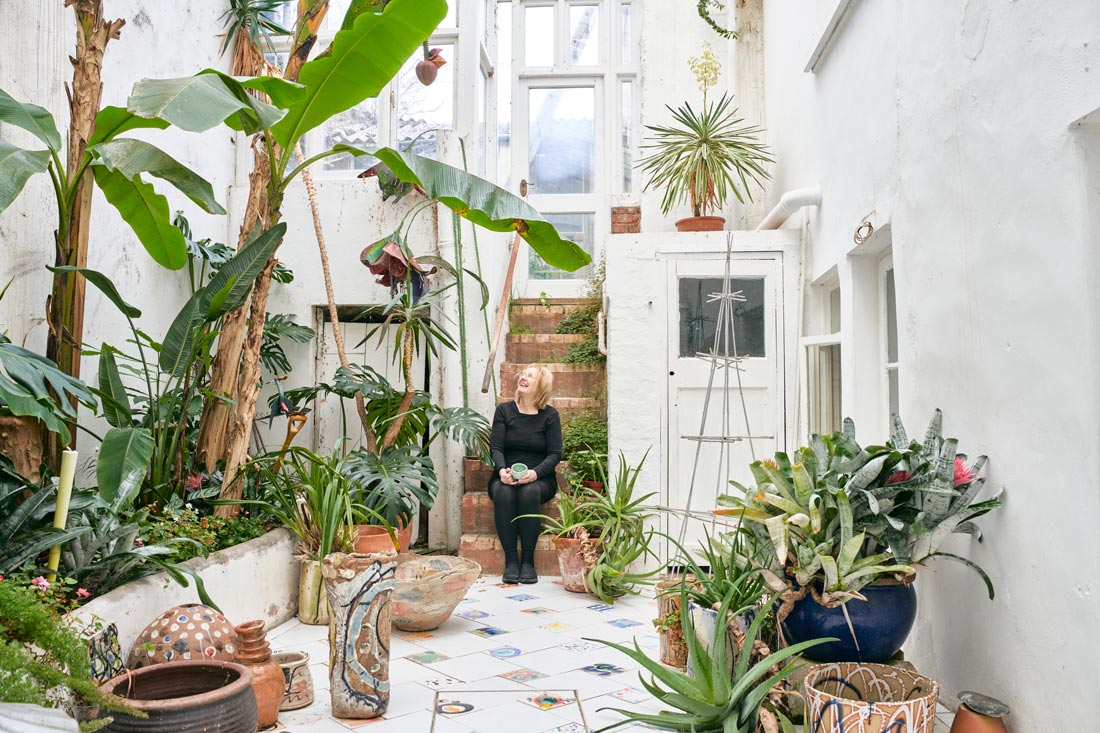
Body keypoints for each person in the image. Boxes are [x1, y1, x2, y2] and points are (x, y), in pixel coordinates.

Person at [487, 364, 561, 584]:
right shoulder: (504, 411)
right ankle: (511, 561)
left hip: (540, 478)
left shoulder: (550, 416)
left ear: (541, 386)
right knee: (504, 492)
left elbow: (555, 454)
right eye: (523, 374)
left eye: (531, 376)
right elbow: (496, 448)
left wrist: (535, 473)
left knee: (528, 492)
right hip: (505, 473)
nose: (524, 377)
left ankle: (528, 561)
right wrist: (502, 470)